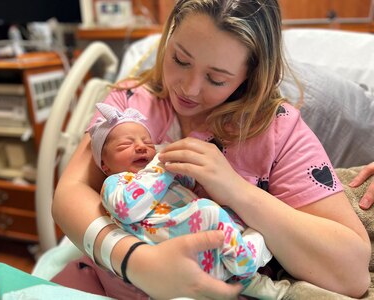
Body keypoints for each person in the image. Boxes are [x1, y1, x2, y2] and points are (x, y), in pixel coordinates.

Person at [51, 0, 371, 299]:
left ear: (251, 73)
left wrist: (235, 190)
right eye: (180, 59)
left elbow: (352, 271)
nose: (188, 89)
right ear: (170, 33)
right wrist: (135, 260)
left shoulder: (277, 130)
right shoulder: (130, 104)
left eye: (216, 79)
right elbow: (70, 192)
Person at [89, 103, 277, 298]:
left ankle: (246, 260)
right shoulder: (115, 182)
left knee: (244, 224)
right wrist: (160, 166)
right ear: (105, 165)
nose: (141, 146)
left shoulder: (162, 176)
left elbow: (189, 183)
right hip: (176, 250)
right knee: (208, 211)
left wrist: (177, 164)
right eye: (125, 145)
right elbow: (126, 209)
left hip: (211, 247)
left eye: (148, 142)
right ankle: (244, 263)